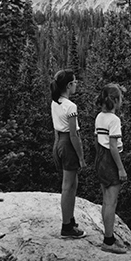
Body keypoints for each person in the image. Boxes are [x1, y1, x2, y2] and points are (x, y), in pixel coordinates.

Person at [51, 69, 86, 238]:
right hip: (68, 144)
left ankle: (70, 219)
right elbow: (74, 134)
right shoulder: (71, 106)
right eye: (75, 82)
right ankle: (66, 227)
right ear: (69, 85)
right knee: (67, 186)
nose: (76, 84)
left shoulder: (55, 102)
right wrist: (80, 156)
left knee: (73, 184)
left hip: (58, 141)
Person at [95, 83, 128, 254]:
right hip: (110, 160)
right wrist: (121, 169)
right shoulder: (114, 120)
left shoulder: (100, 117)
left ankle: (109, 237)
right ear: (115, 100)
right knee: (111, 202)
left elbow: (99, 141)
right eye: (120, 99)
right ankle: (108, 241)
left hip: (100, 158)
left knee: (105, 200)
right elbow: (114, 146)